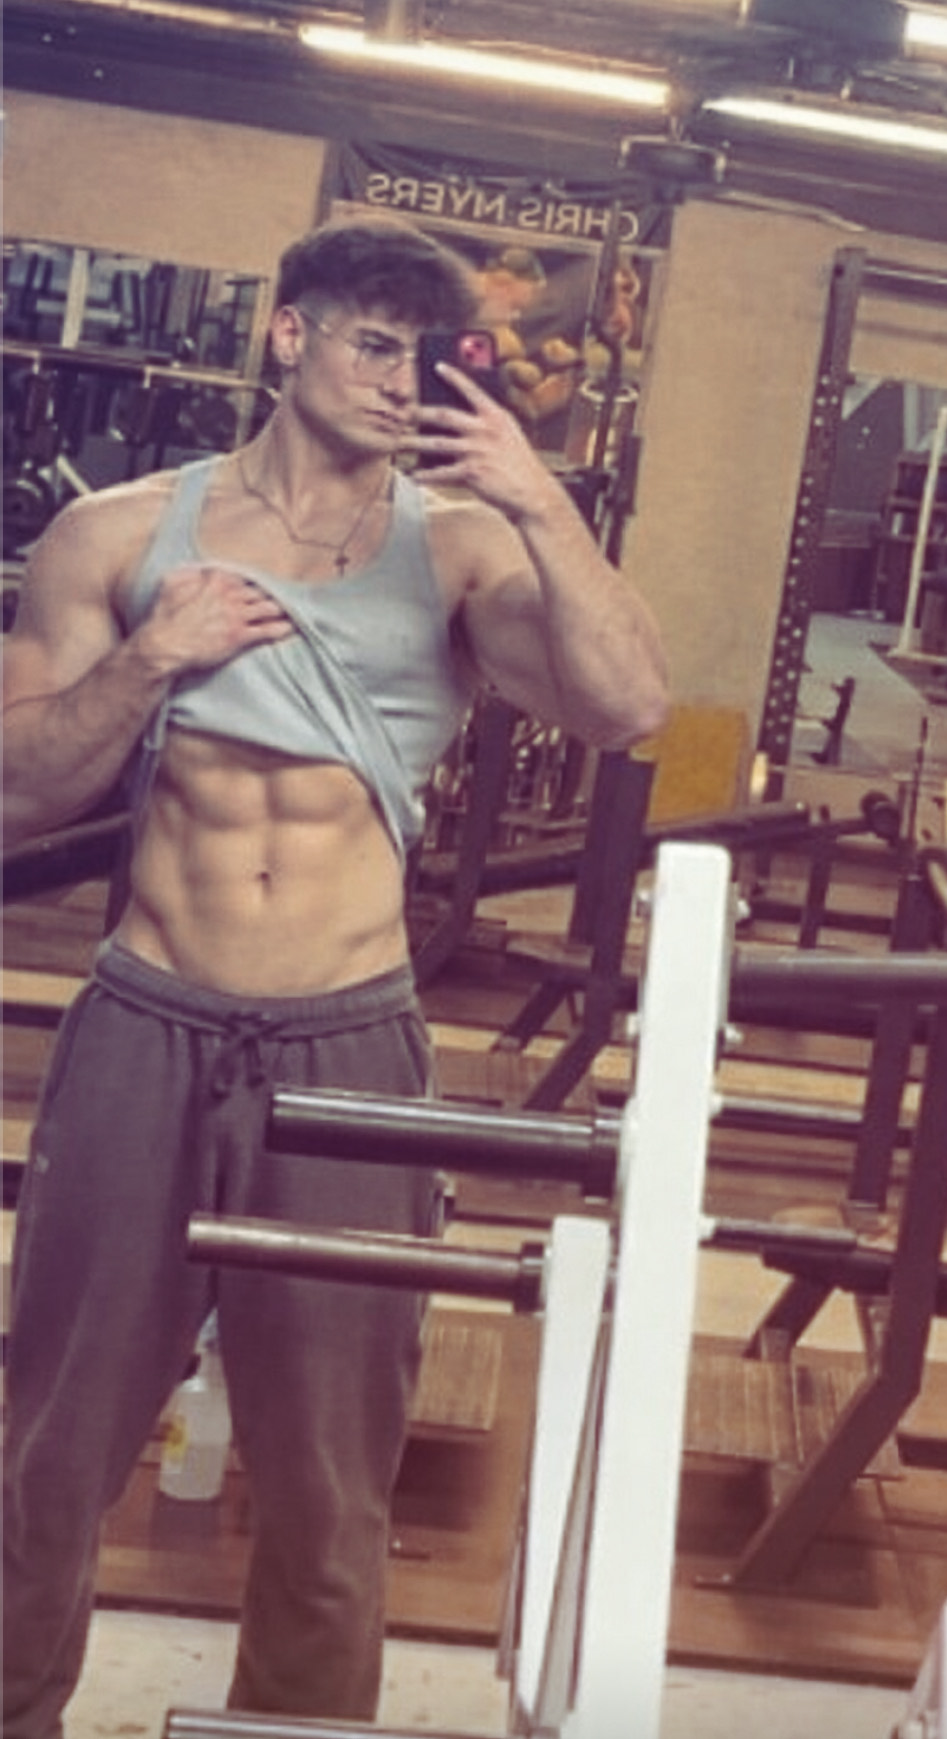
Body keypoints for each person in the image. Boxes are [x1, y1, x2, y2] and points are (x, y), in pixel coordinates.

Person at [1, 218, 669, 1736]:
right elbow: (15, 791)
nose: (398, 379)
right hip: (147, 1020)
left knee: (326, 1477)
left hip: (346, 1043)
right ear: (288, 334)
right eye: (373, 342)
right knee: (52, 1446)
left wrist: (542, 502)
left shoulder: (463, 547)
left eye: (426, 357)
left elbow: (628, 707)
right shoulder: (118, 537)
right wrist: (150, 660)